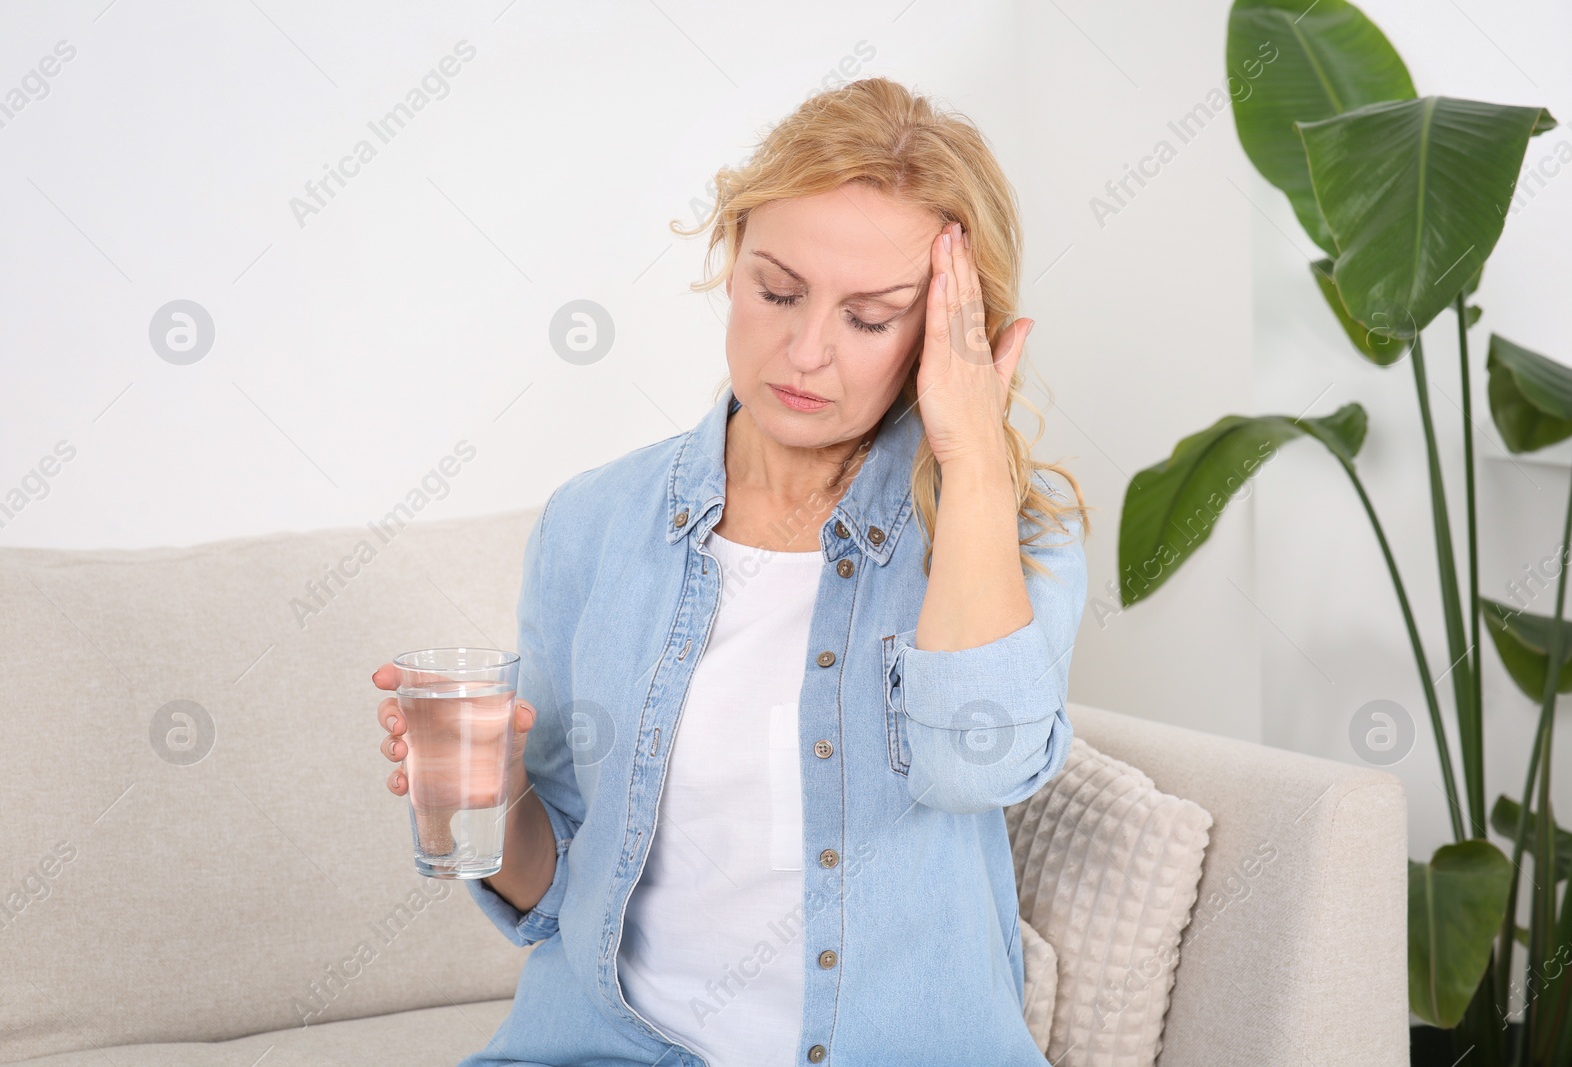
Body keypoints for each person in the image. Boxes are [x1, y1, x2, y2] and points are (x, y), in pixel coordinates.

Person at [372, 75, 1090, 1067]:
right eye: (778, 290)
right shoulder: (593, 522)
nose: (805, 350)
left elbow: (972, 768)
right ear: (731, 259)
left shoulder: (1014, 538)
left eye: (871, 317)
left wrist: (968, 459)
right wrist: (495, 795)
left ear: (944, 335)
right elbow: (557, 896)